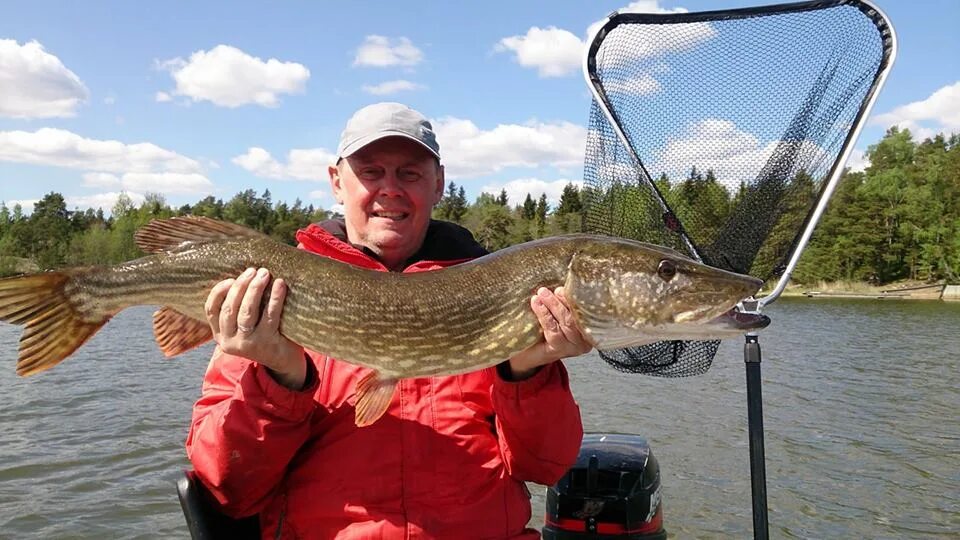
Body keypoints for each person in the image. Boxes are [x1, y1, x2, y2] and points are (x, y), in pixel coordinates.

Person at [186, 102, 590, 539]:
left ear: (438, 184)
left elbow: (545, 466)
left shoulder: (502, 294)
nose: (390, 189)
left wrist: (527, 373)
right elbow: (229, 487)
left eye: (410, 174)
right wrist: (279, 378)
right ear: (337, 182)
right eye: (371, 172)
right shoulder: (267, 295)